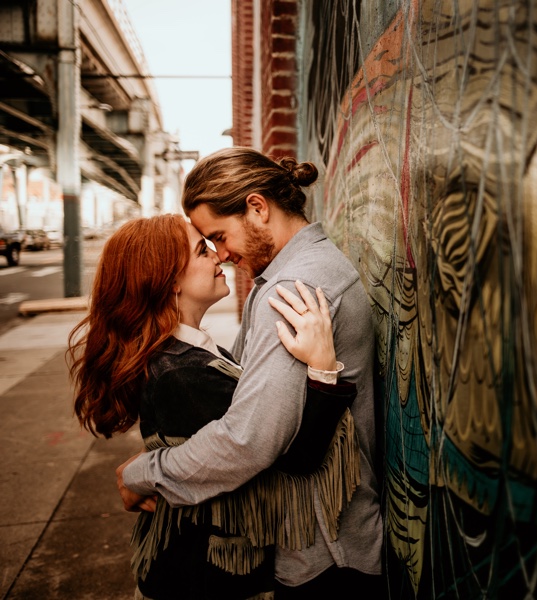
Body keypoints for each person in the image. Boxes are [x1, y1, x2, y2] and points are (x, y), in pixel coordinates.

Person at [117, 148, 383, 597]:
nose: (220, 254)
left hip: (325, 551)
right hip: (317, 539)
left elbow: (250, 438)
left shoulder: (293, 287)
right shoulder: (282, 277)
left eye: (219, 236)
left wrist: (145, 473)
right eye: (208, 243)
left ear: (258, 208)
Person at [68, 214, 357, 599]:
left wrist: (143, 468)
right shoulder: (182, 373)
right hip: (202, 577)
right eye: (202, 250)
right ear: (169, 280)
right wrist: (323, 369)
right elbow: (292, 459)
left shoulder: (183, 354)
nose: (218, 257)